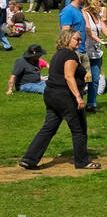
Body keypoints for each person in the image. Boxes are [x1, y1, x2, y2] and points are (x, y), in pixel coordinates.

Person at [19, 28, 97, 170]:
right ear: (67, 39)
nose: (80, 41)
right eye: (77, 39)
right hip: (65, 97)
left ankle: (29, 159)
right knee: (79, 129)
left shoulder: (58, 54)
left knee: (49, 128)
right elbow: (68, 76)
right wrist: (78, 97)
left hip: (51, 95)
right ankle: (82, 161)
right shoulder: (70, 55)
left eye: (80, 39)